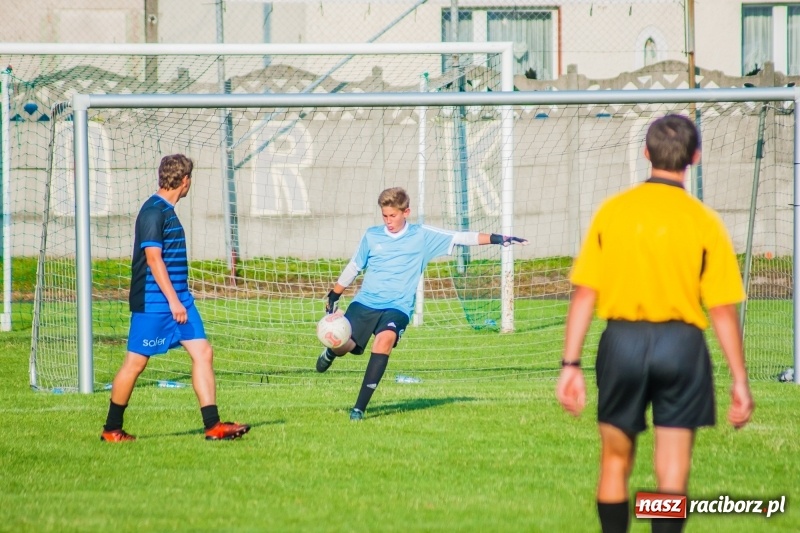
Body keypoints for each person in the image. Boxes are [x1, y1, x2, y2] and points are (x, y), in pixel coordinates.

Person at [556, 114, 754, 533]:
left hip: (622, 342)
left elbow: (585, 293)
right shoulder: (705, 221)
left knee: (614, 460)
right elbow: (721, 308)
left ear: (645, 152)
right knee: (672, 470)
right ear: (694, 157)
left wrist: (569, 366)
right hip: (682, 346)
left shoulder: (614, 211)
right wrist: (740, 379)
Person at [316, 186, 527, 421]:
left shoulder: (422, 235)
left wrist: (499, 239)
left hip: (398, 307)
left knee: (384, 341)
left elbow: (460, 237)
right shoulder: (372, 235)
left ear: (406, 212)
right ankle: (331, 352)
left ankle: (359, 408)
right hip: (365, 303)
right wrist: (335, 294)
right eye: (384, 215)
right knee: (347, 347)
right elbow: (354, 266)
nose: (388, 221)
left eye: (393, 215)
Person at [101, 154, 250, 442]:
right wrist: (173, 301)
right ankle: (112, 429)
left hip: (180, 298)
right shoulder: (152, 212)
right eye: (189, 178)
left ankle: (213, 425)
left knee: (203, 352)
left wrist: (179, 299)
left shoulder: (167, 210)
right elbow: (154, 260)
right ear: (185, 180)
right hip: (156, 303)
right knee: (135, 364)